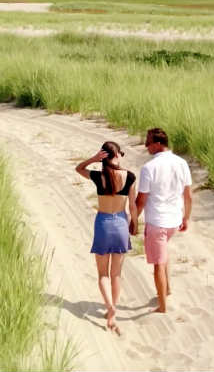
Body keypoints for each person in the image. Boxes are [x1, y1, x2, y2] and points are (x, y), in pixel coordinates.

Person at [75, 141, 138, 334]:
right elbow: (133, 206)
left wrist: (94, 159)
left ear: (103, 156)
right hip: (120, 223)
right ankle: (113, 312)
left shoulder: (97, 175)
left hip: (103, 223)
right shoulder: (130, 176)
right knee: (116, 274)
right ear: (117, 155)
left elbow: (78, 168)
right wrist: (135, 223)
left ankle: (110, 307)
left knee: (103, 274)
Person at [135, 127, 192, 314]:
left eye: (148, 142)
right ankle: (166, 289)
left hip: (157, 222)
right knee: (163, 253)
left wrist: (133, 219)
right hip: (174, 220)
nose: (146, 145)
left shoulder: (149, 168)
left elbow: (141, 199)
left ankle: (162, 306)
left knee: (158, 263)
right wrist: (186, 218)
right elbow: (188, 195)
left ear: (158, 144)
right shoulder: (182, 163)